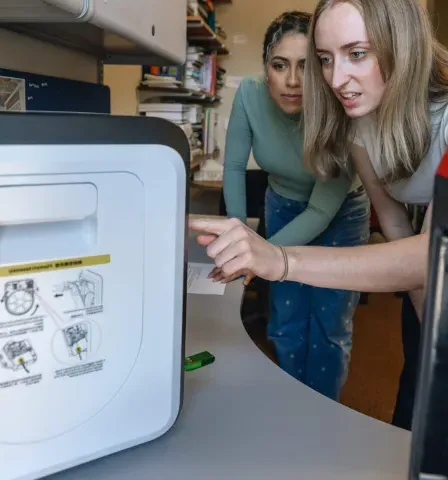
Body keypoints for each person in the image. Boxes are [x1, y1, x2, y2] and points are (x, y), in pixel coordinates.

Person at [190, 0, 447, 431]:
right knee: (420, 382)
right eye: (326, 60)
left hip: (419, 245)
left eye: (357, 54)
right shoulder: (360, 116)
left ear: (401, 42)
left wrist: (277, 258)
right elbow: (396, 223)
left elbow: (430, 256)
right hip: (428, 247)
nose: (336, 79)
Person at [219, 11, 371, 402]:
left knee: (328, 326)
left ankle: (321, 413)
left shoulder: (339, 109)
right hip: (283, 204)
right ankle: (289, 406)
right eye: (279, 65)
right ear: (265, 68)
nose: (291, 81)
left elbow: (321, 212)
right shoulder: (250, 94)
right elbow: (235, 167)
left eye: (306, 66)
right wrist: (239, 238)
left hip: (340, 215)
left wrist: (257, 256)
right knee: (285, 321)